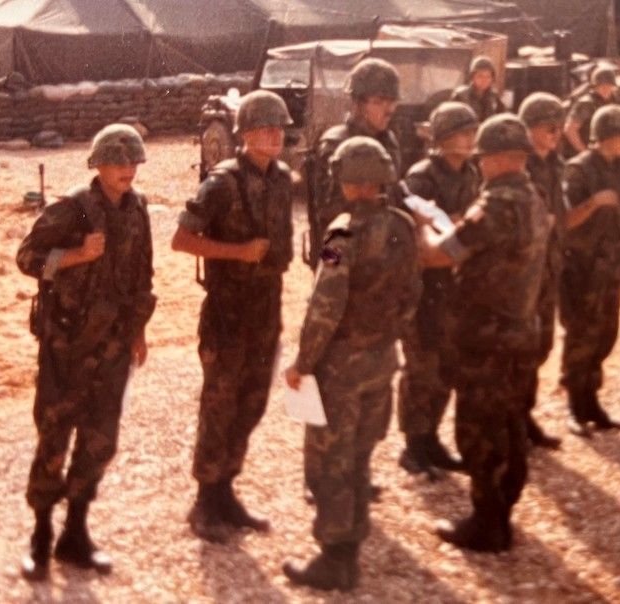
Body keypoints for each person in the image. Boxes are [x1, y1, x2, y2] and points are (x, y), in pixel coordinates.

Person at [17, 124, 156, 580]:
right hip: (66, 346)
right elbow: (26, 258)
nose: (127, 170)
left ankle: (74, 534)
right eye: (118, 162)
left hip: (113, 345)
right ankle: (40, 536)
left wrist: (137, 331)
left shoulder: (138, 209)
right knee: (54, 438)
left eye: (133, 161)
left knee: (99, 441)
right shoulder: (73, 211)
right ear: (98, 165)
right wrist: (75, 255)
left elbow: (142, 278)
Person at [282, 137, 421, 591]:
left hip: (339, 368)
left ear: (347, 180)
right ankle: (351, 549)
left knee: (330, 460)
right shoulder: (402, 224)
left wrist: (303, 361)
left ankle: (334, 559)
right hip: (381, 359)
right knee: (360, 456)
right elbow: (412, 293)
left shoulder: (341, 233)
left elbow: (326, 302)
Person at [419, 114, 550, 552]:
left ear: (492, 159)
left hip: (485, 337)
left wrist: (421, 228)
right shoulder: (534, 199)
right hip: (520, 331)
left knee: (478, 428)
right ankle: (503, 511)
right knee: (511, 422)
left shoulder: (493, 204)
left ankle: (487, 523)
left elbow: (443, 255)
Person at [172, 90, 294, 542]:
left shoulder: (283, 178)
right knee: (220, 402)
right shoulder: (222, 182)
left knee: (252, 401)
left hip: (268, 305)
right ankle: (205, 499)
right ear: (243, 135)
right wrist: (236, 252)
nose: (275, 135)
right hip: (228, 311)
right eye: (265, 128)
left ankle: (226, 490)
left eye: (280, 128)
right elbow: (182, 240)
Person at [397, 102, 480, 476]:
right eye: (463, 132)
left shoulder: (472, 173)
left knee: (448, 364)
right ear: (443, 137)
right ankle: (413, 445)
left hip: (457, 284)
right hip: (425, 284)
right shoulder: (422, 176)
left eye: (472, 132)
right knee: (421, 366)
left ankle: (431, 439)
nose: (469, 139)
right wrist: (458, 223)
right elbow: (418, 222)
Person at [560, 104, 620, 434]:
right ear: (607, 137)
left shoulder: (619, 169)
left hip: (611, 265)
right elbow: (565, 221)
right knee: (581, 334)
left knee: (605, 334)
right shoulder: (579, 170)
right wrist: (593, 203)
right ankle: (577, 406)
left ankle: (592, 401)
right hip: (582, 267)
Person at [308, 58, 402, 266]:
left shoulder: (388, 140)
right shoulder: (335, 144)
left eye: (392, 101)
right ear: (358, 104)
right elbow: (328, 213)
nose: (389, 109)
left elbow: (395, 191)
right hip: (344, 256)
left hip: (382, 256)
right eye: (379, 101)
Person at [519, 92, 567, 449]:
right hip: (524, 272)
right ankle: (512, 419)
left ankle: (524, 414)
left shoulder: (555, 164)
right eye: (549, 128)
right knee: (521, 345)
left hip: (548, 267)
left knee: (542, 343)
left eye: (559, 128)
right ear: (531, 129)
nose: (556, 134)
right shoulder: (519, 166)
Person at [564, 64, 618, 157]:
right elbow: (570, 130)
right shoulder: (586, 104)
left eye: (609, 86)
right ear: (595, 87)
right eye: (602, 86)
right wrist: (585, 153)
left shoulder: (611, 102)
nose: (606, 89)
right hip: (582, 154)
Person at [450, 55, 507, 122]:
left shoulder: (494, 98)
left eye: (488, 76)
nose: (484, 80)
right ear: (472, 77)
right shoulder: (461, 96)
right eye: (480, 76)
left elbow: (503, 119)